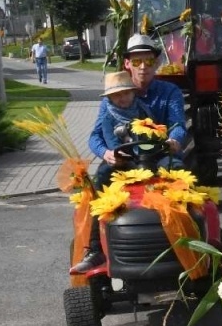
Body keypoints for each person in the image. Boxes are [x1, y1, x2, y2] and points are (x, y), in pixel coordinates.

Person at [68, 71, 171, 273]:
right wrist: (107, 153)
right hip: (119, 162)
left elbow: (156, 135)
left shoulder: (144, 111)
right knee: (102, 179)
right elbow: (97, 138)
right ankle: (96, 248)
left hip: (147, 159)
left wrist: (160, 144)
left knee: (174, 167)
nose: (122, 98)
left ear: (133, 93)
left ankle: (180, 234)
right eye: (117, 95)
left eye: (125, 93)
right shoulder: (107, 115)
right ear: (109, 98)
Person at [120, 33, 188, 155]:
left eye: (149, 61)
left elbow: (178, 124)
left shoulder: (171, 91)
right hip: (127, 157)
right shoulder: (115, 94)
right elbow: (96, 135)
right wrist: (105, 153)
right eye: (136, 62)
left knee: (178, 171)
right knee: (103, 173)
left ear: (156, 63)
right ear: (127, 64)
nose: (143, 66)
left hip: (164, 153)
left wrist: (173, 140)